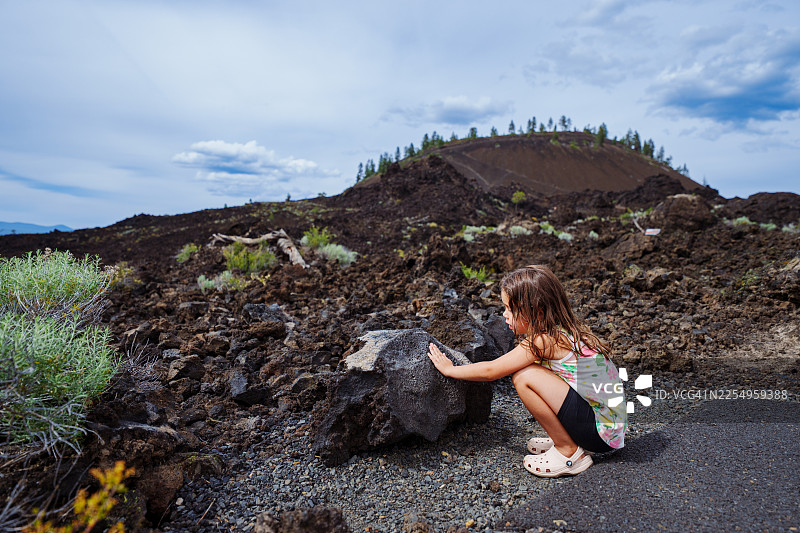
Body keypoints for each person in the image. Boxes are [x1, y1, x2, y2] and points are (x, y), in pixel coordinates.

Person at [427, 265, 626, 477]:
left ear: (537, 313)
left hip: (600, 433)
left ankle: (568, 452)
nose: (505, 315)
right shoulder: (562, 331)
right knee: (533, 369)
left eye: (510, 309)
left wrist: (450, 369)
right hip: (608, 427)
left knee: (525, 377)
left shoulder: (543, 341)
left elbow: (491, 370)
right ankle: (568, 437)